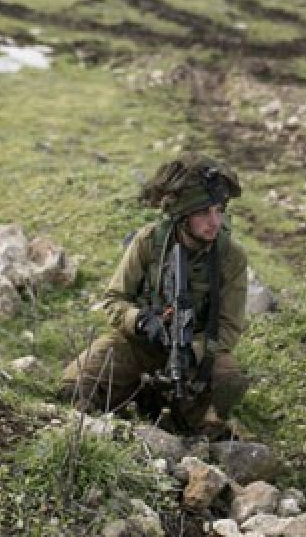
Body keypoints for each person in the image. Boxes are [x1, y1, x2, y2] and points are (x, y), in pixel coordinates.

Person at [61, 154, 250, 433]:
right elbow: (114, 299)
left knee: (226, 382)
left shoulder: (231, 257)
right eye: (203, 213)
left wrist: (194, 352)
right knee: (75, 388)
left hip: (196, 354)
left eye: (219, 210)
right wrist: (140, 320)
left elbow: (229, 328)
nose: (215, 222)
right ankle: (137, 394)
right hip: (140, 344)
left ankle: (181, 417)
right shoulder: (149, 242)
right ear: (182, 216)